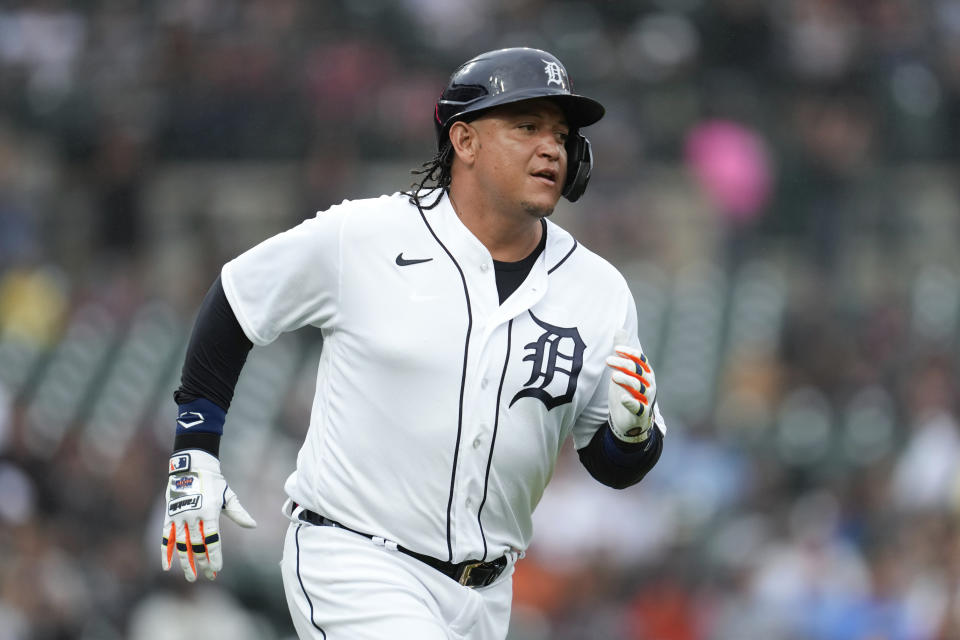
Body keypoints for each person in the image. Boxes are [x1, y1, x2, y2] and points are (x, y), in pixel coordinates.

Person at [159, 47, 667, 640]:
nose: (551, 146)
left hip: (486, 595)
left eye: (561, 133)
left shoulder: (599, 290)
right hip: (354, 561)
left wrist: (631, 437)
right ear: (465, 140)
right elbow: (236, 300)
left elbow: (612, 466)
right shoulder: (366, 236)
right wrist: (194, 452)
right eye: (527, 126)